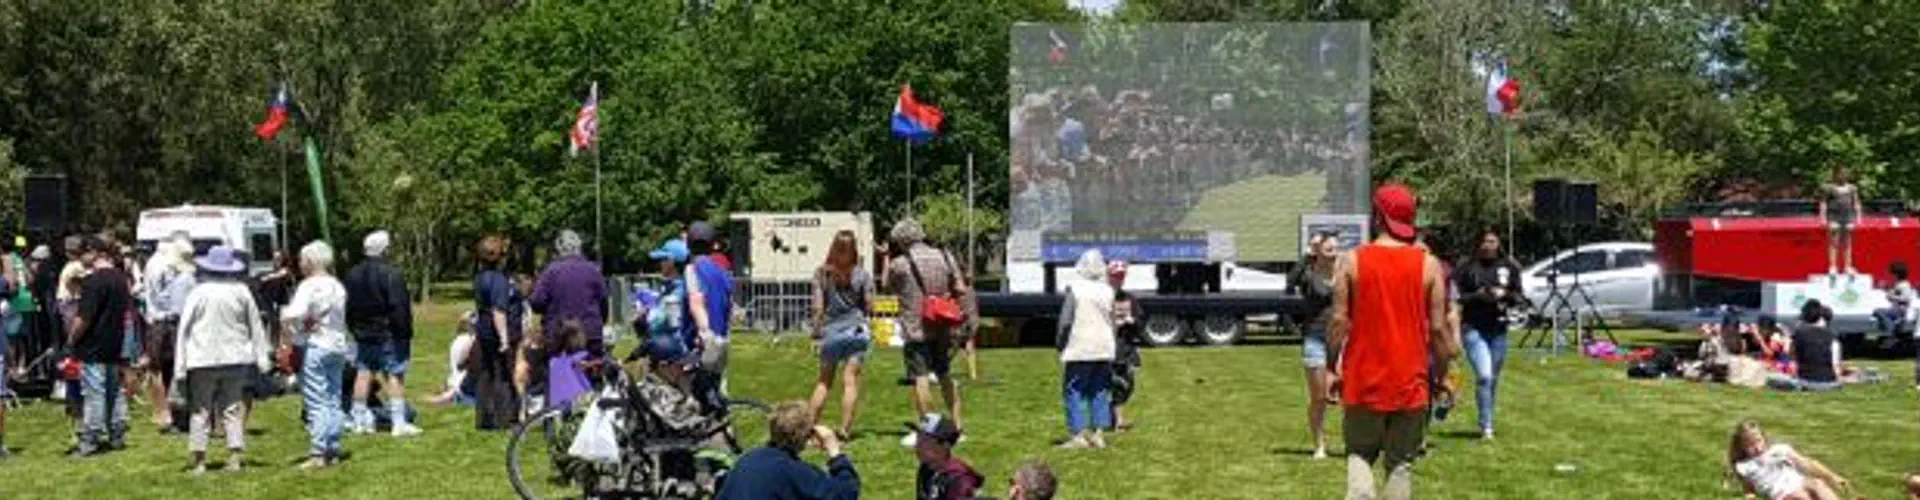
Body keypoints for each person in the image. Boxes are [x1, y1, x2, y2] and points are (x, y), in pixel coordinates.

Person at [1328, 183, 1453, 500]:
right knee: (1400, 464)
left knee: (1358, 454)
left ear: (1377, 216)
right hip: (1410, 381)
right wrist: (1442, 375)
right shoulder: (1429, 265)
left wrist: (1331, 367)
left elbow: (1339, 320)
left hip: (1362, 379)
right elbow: (1438, 330)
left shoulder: (1351, 261)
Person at [174, 246, 273, 474]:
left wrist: (181, 364)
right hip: (235, 357)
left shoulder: (198, 292)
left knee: (201, 410)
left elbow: (184, 329)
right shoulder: (241, 291)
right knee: (232, 408)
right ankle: (235, 456)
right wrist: (262, 358)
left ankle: (199, 460)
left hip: (202, 358)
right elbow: (255, 325)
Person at [884, 219, 970, 447]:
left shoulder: (900, 264)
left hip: (916, 327)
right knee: (945, 375)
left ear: (901, 240)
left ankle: (929, 430)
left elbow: (887, 286)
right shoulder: (944, 255)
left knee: (920, 378)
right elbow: (960, 287)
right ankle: (958, 427)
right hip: (943, 324)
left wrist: (886, 257)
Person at [343, 230, 420, 437]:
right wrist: (404, 333)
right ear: (385, 249)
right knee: (394, 375)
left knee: (363, 373)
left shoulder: (352, 274)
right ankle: (398, 422)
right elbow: (399, 307)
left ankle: (358, 419)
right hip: (388, 333)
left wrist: (354, 329)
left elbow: (348, 307)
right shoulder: (391, 274)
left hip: (363, 333)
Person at [282, 241, 351, 470]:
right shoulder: (337, 286)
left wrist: (286, 319)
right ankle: (333, 445)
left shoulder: (308, 286)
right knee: (333, 397)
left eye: (302, 260)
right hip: (338, 345)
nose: (300, 264)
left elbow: (296, 312)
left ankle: (318, 451)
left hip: (316, 345)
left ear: (310, 261)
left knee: (316, 399)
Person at [1452, 229, 1522, 440]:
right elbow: (1458, 297)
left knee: (1493, 378)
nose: (1488, 245)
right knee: (1484, 376)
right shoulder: (1467, 267)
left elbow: (1519, 295)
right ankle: (1487, 426)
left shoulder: (1509, 266)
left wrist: (1505, 294)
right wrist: (1478, 295)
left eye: (1492, 241)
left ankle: (1486, 417)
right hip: (1473, 327)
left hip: (1499, 328)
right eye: (1484, 241)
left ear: (1498, 243)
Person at [66, 236, 132, 456]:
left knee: (94, 393)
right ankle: (117, 433)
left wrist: (72, 339)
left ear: (94, 252)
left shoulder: (94, 282)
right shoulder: (121, 279)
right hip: (115, 341)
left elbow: (83, 318)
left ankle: (90, 439)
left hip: (93, 344)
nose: (80, 259)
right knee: (115, 391)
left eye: (83, 253)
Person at [715, 401, 860, 500]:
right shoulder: (793, 471)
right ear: (805, 436)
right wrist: (834, 451)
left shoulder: (747, 459)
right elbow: (845, 493)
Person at [808, 230, 873, 440]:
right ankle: (844, 428)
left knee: (824, 382)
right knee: (850, 381)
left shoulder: (822, 274)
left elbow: (818, 307)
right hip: (857, 330)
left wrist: (816, 334)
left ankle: (809, 429)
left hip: (832, 331)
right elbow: (870, 304)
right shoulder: (862, 274)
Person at [1054, 249, 1115, 450]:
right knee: (1099, 390)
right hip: (1104, 347)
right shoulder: (1108, 291)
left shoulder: (1075, 290)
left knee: (1074, 390)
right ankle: (1099, 434)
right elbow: (1112, 321)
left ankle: (1079, 434)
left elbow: (1065, 322)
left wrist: (1060, 343)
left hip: (1080, 346)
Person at [1288, 232, 1339, 459]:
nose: (1333, 252)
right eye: (1328, 248)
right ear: (1318, 251)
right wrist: (1307, 254)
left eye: (1336, 248)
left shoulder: (1344, 272)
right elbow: (1289, 283)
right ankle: (1319, 444)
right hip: (1315, 338)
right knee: (1319, 396)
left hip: (1341, 341)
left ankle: (1358, 442)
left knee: (1348, 395)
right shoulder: (1309, 275)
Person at [142, 238, 196, 431]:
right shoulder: (189, 277)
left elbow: (177, 309)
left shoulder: (181, 280)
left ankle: (177, 416)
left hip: (169, 326)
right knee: (171, 370)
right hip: (172, 326)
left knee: (170, 371)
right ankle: (177, 415)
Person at [529, 229, 608, 358]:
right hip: (591, 333)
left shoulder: (551, 272)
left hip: (560, 336)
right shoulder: (594, 270)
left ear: (558, 249)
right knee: (591, 373)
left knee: (561, 374)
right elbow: (603, 302)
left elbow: (537, 302)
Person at [1727, 419, 1851, 500]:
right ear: (1741, 447)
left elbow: (1807, 463)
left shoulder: (1780, 449)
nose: (1757, 448)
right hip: (1782, 494)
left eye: (1759, 440)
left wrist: (1832, 476)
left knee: (1818, 484)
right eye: (1749, 444)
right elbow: (1749, 486)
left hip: (1799, 482)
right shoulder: (1744, 466)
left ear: (1764, 438)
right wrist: (1750, 495)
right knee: (1802, 497)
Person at [683, 222, 734, 409]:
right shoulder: (721, 273)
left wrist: (705, 334)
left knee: (699, 399)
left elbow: (696, 303)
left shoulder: (692, 269)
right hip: (722, 340)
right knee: (718, 395)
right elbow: (729, 305)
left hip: (703, 342)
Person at [471, 235, 521, 430]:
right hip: (496, 331)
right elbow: (498, 311)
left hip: (483, 330)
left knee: (486, 374)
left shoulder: (479, 277)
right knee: (503, 375)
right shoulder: (499, 280)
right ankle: (505, 418)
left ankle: (485, 417)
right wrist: (504, 339)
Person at [1768, 301, 1842, 392]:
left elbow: (1789, 354)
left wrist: (1787, 336)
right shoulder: (1832, 336)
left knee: (1772, 378)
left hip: (1807, 383)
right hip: (1832, 383)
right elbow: (1835, 364)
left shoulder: (1800, 333)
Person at [909, 413, 982, 500]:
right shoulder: (927, 467)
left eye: (925, 441)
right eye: (918, 438)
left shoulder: (958, 479)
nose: (918, 445)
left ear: (945, 445)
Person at [1107, 261, 1143, 432]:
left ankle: (1114, 418)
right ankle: (1117, 420)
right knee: (1116, 384)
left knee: (1128, 385)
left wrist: (1132, 321)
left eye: (1121, 276)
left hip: (1126, 347)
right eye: (1115, 275)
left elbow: (1141, 321)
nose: (1119, 279)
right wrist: (1114, 323)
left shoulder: (1130, 298)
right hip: (1108, 346)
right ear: (1109, 276)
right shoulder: (1103, 296)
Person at [1819, 165, 1863, 276]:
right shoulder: (1829, 188)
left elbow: (1856, 202)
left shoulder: (1852, 188)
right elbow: (1823, 202)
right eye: (1840, 173)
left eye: (1845, 173)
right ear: (1836, 175)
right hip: (1834, 216)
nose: (1843, 176)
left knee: (1847, 242)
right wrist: (1823, 218)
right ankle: (1833, 266)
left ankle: (1848, 266)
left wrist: (1858, 217)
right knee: (1834, 241)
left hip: (1848, 217)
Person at [428, 311, 477, 406]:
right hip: (465, 388)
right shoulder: (470, 342)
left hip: (454, 383)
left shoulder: (459, 339)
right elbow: (461, 365)